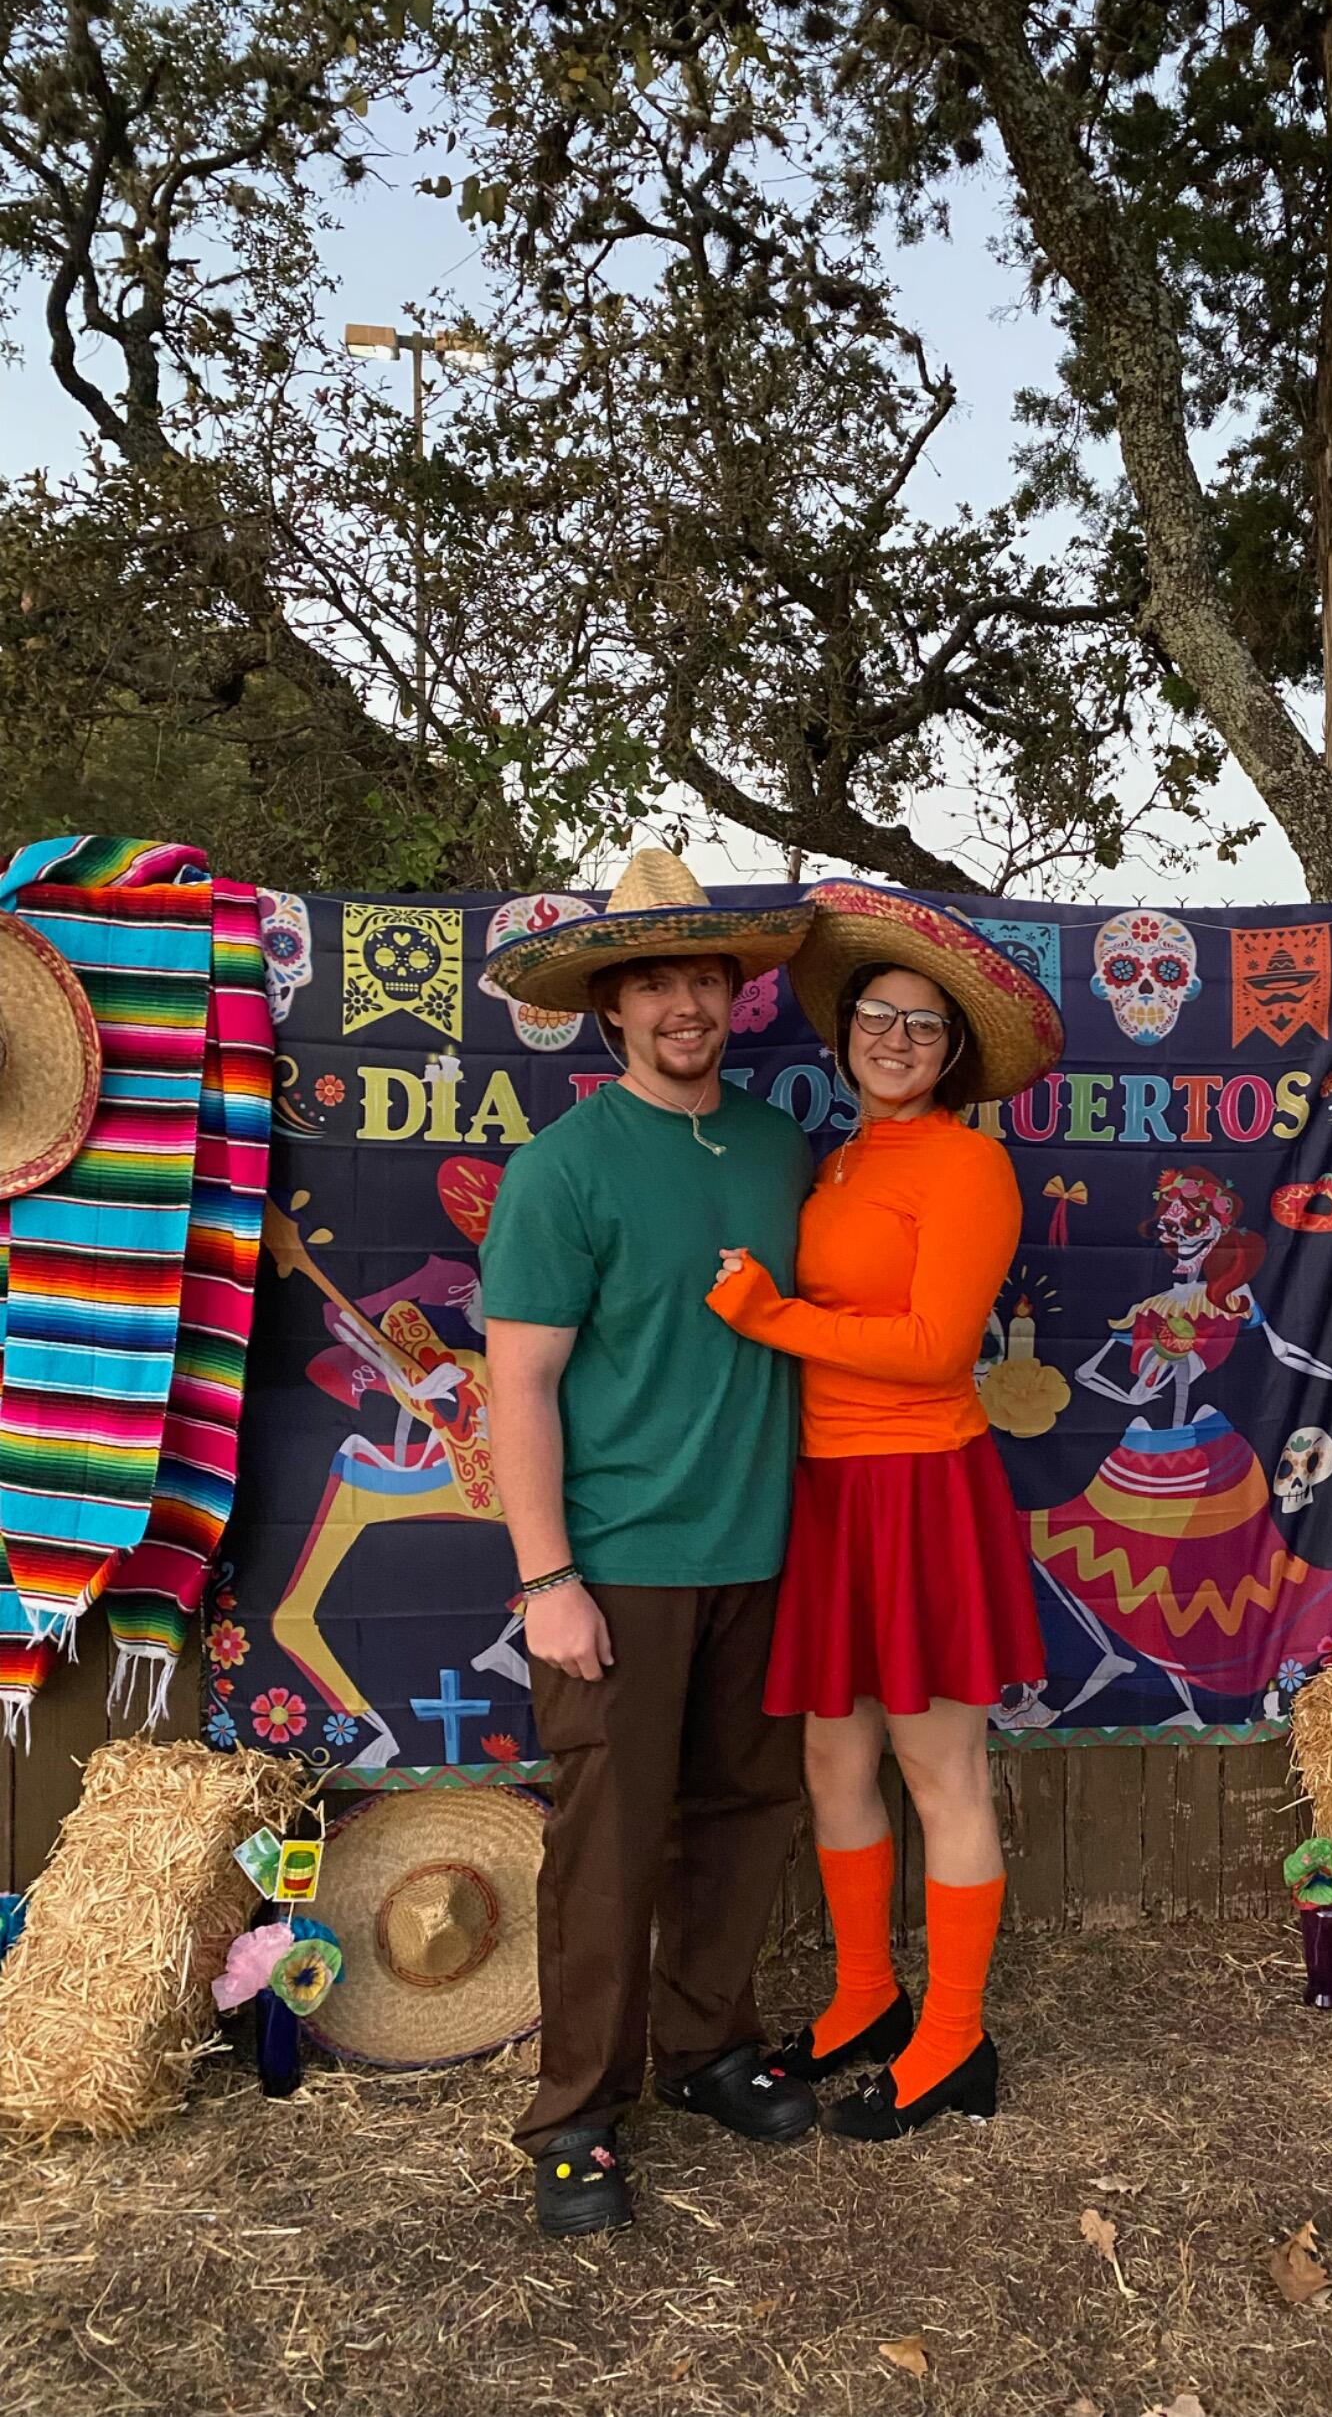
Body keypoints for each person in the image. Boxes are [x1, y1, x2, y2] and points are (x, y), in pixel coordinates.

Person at [479, 848, 819, 2239]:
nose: (686, 1003)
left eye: (706, 977)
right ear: (607, 1007)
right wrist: (546, 1576)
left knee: (742, 1816)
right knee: (608, 1844)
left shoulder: (776, 1146)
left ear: (735, 993)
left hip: (766, 1550)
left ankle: (707, 2048)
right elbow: (520, 1388)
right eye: (654, 982)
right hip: (616, 1561)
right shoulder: (562, 1172)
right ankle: (572, 2117)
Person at [706, 880, 1064, 2141]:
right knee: (830, 1756)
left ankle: (957, 2037)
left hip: (920, 1487)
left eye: (923, 1024)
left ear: (956, 1051)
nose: (896, 1037)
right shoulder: (846, 1156)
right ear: (845, 1028)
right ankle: (867, 1994)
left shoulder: (967, 1165)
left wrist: (771, 1318)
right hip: (828, 1488)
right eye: (876, 1014)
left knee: (937, 1764)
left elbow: (931, 1347)